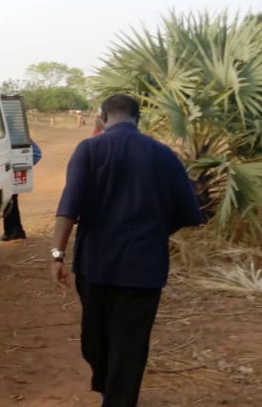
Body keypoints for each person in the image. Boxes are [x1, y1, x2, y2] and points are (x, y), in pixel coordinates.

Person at [49, 94, 203, 406]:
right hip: (144, 268)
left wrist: (57, 254)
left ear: (103, 117)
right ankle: (112, 390)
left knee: (96, 339)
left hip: (95, 265)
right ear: (138, 119)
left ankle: (114, 397)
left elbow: (69, 207)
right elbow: (190, 212)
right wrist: (156, 231)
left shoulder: (89, 149)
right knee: (128, 343)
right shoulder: (164, 155)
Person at [1, 140, 41, 241]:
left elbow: (36, 153)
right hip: (8, 172)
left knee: (10, 200)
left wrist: (21, 165)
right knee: (11, 200)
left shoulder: (16, 136)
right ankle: (15, 231)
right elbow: (37, 154)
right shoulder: (17, 135)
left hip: (8, 172)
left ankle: (13, 231)